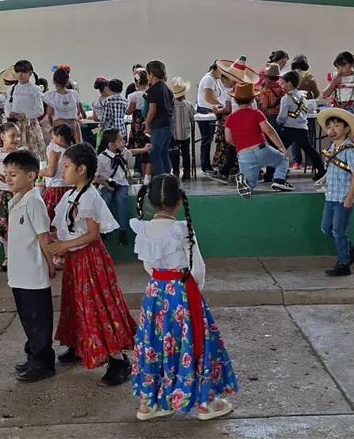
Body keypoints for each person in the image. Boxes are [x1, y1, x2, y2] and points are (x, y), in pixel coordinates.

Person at [131, 174, 238, 421]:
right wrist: (193, 289)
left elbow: (148, 266)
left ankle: (149, 404)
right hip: (182, 292)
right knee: (193, 341)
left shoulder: (143, 229)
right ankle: (205, 404)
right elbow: (197, 269)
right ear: (179, 200)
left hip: (155, 293)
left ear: (150, 201)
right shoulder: (181, 230)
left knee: (155, 344)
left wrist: (162, 280)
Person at [47, 143, 136, 386]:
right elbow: (68, 229)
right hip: (76, 259)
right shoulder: (70, 194)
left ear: (82, 169)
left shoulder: (90, 197)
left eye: (66, 167)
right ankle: (79, 345)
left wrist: (63, 246)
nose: (62, 171)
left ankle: (118, 360)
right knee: (76, 303)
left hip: (90, 258)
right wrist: (57, 240)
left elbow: (92, 235)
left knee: (97, 305)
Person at [2, 150, 57, 381]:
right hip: (19, 274)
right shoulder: (16, 200)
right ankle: (33, 356)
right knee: (28, 319)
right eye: (6, 174)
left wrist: (50, 264)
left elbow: (44, 238)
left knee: (38, 321)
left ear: (31, 175)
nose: (8, 178)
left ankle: (43, 363)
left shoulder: (34, 202)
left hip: (34, 274)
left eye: (13, 174)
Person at [224, 78, 293, 199]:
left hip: (243, 155)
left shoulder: (230, 117)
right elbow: (269, 131)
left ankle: (245, 183)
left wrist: (241, 146)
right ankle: (279, 180)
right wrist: (281, 147)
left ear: (235, 100)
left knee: (251, 184)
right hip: (260, 149)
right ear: (252, 99)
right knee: (282, 160)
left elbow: (228, 139)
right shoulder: (256, 113)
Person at [315, 108, 354, 277]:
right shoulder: (332, 148)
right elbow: (333, 168)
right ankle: (351, 248)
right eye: (329, 127)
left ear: (346, 129)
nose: (332, 130)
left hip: (344, 197)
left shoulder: (351, 150)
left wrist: (350, 197)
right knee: (326, 228)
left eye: (336, 125)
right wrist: (324, 179)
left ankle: (344, 263)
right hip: (331, 195)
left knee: (338, 230)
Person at [96, 130, 151, 246]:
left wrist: (143, 149)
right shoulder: (101, 158)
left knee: (122, 201)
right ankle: (103, 229)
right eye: (120, 140)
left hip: (121, 183)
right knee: (105, 200)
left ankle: (123, 231)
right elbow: (96, 177)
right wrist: (106, 185)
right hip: (106, 184)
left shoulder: (123, 152)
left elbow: (131, 152)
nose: (124, 141)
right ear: (111, 145)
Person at [0, 122, 23, 271]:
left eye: (18, 136)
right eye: (12, 135)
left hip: (18, 194)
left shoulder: (21, 154)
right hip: (2, 196)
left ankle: (21, 256)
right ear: (2, 136)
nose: (16, 139)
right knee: (6, 226)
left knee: (19, 225)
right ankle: (8, 257)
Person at [277, 71, 325, 180]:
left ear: (289, 83)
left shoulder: (286, 98)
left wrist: (278, 123)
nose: (282, 85)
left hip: (289, 128)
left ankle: (273, 172)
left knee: (279, 149)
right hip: (302, 128)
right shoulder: (302, 96)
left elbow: (282, 116)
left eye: (283, 83)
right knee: (310, 150)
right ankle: (321, 170)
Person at [3, 60, 45, 160]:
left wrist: (25, 115)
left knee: (32, 151)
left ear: (30, 73)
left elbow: (40, 110)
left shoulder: (34, 89)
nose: (20, 75)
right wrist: (9, 113)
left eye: (23, 72)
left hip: (29, 125)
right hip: (15, 125)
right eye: (17, 72)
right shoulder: (12, 89)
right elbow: (7, 105)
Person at [144, 60, 175, 176]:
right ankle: (168, 176)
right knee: (164, 153)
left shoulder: (153, 90)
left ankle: (161, 178)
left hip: (159, 125)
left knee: (154, 153)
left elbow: (152, 109)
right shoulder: (167, 89)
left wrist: (147, 124)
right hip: (169, 124)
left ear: (151, 74)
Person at [39, 123, 75, 221]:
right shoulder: (71, 151)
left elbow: (51, 172)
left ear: (60, 138)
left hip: (56, 191)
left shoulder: (54, 151)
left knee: (52, 219)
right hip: (70, 189)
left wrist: (41, 172)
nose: (51, 140)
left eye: (52, 137)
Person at [196, 62, 226, 175]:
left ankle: (207, 165)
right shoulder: (208, 79)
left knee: (208, 139)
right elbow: (208, 98)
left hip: (209, 111)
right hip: (206, 111)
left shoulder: (213, 80)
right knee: (206, 140)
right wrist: (221, 104)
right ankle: (205, 165)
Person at [257, 63, 286, 178]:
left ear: (266, 77)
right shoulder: (282, 89)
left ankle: (269, 173)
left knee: (269, 146)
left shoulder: (265, 92)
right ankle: (278, 171)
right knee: (277, 145)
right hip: (280, 119)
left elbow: (263, 107)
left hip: (269, 119)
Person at [44, 65, 84, 143]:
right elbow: (78, 112)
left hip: (59, 127)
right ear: (67, 81)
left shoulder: (51, 96)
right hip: (74, 126)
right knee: (75, 147)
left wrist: (52, 126)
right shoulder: (74, 94)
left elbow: (49, 114)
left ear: (54, 82)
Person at [127, 67, 153, 184]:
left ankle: (140, 172)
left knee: (140, 146)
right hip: (149, 121)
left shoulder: (134, 95)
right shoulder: (151, 93)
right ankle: (149, 174)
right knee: (149, 146)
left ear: (136, 82)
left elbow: (129, 110)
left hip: (138, 123)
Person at [168, 77, 195, 181]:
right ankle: (187, 172)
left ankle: (175, 171)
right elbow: (193, 117)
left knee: (174, 154)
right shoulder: (188, 104)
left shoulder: (170, 105)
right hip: (185, 134)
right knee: (186, 154)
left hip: (173, 135)